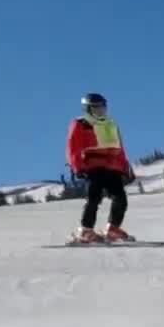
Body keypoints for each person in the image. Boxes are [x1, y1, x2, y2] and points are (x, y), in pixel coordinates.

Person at [65, 92, 136, 244]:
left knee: (121, 198)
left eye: (103, 108)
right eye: (96, 109)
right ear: (88, 109)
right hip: (92, 167)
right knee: (94, 198)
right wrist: (77, 166)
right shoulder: (81, 123)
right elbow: (73, 147)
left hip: (112, 168)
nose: (101, 111)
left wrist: (125, 166)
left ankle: (112, 229)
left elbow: (119, 147)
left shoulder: (111, 124)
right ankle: (85, 230)